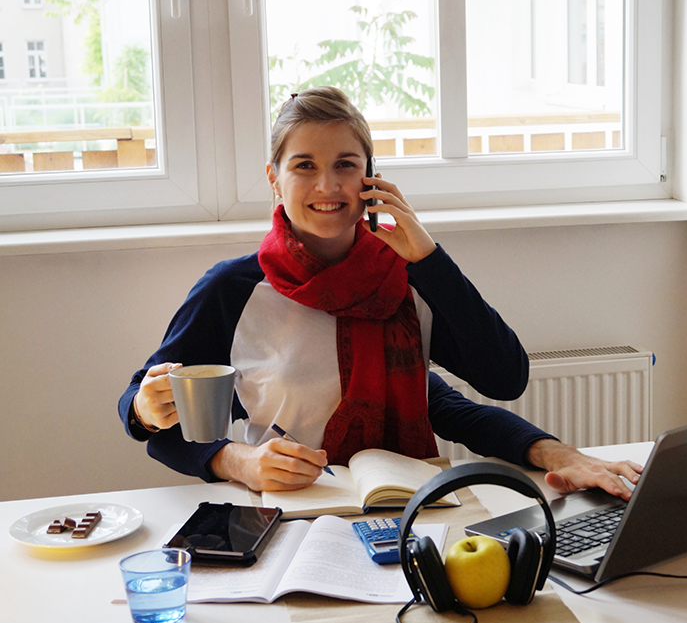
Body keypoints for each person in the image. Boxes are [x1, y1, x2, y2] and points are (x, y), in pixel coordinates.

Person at [119, 86, 641, 499]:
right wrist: (238, 462)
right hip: (288, 514)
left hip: (412, 510)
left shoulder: (408, 277)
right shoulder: (231, 290)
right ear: (274, 179)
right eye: (305, 166)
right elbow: (149, 419)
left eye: (346, 165)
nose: (327, 186)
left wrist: (432, 261)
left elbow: (501, 380)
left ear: (371, 178)